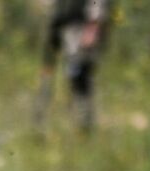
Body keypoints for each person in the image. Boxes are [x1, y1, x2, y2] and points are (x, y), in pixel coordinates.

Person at [37, 0, 111, 131]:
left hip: (81, 29)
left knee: (79, 76)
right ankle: (41, 122)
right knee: (51, 74)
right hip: (62, 27)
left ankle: (84, 124)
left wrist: (92, 27)